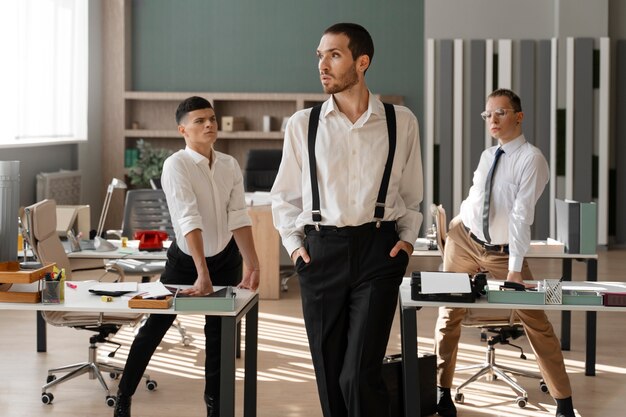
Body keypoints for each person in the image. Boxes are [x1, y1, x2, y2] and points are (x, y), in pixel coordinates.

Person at [270, 23, 423, 417]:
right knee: (329, 371)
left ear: (362, 62)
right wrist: (296, 247)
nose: (322, 64)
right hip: (321, 254)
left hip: (379, 251)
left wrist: (405, 242)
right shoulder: (302, 124)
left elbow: (410, 193)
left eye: (334, 55)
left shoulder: (399, 121)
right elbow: (285, 196)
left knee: (358, 373)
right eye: (319, 55)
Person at [114, 96, 260, 417]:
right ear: (183, 129)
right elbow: (188, 219)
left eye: (212, 119)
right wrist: (201, 273)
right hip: (185, 262)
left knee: (219, 338)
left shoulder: (229, 164)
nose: (209, 124)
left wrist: (254, 262)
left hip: (226, 259)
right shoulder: (175, 165)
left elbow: (239, 217)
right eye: (199, 121)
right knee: (156, 326)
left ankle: (215, 408)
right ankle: (124, 396)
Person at [434, 88, 575, 417]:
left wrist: (514, 269)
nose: (492, 120)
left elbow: (521, 216)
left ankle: (564, 403)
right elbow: (476, 199)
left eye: (500, 112)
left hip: (501, 253)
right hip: (465, 242)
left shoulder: (532, 159)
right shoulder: (488, 156)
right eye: (488, 114)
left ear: (518, 116)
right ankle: (442, 393)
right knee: (448, 314)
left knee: (536, 320)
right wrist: (456, 223)